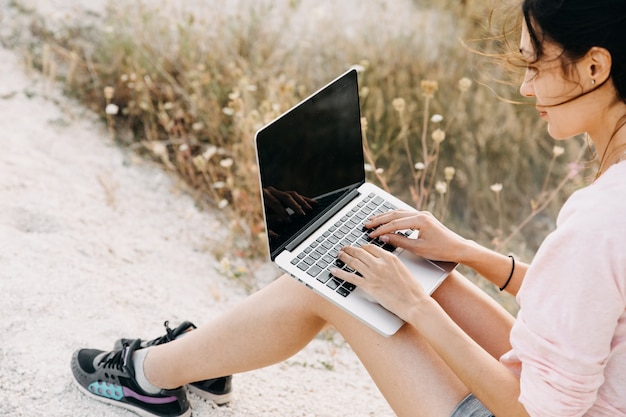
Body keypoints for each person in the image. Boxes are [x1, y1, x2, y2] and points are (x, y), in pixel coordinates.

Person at [70, 0, 626, 416]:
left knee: (333, 280)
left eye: (535, 67)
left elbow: (534, 412)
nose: (527, 88)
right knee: (383, 260)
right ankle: (199, 360)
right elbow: (588, 305)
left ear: (596, 67)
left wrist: (416, 304)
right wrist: (466, 253)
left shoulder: (597, 224)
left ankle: (149, 375)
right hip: (587, 388)